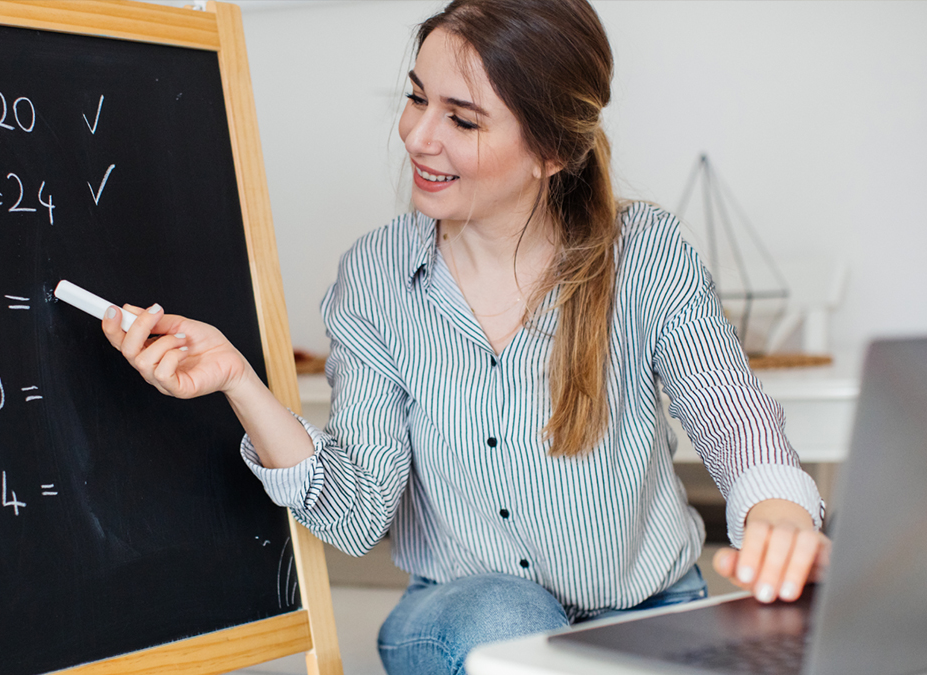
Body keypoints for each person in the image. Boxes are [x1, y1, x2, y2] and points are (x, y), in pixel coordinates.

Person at [101, 0, 830, 672]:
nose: (418, 135)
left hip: (650, 611)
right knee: (511, 617)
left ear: (552, 153)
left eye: (463, 119)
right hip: (461, 618)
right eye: (417, 97)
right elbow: (356, 516)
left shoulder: (644, 251)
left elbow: (731, 411)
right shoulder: (375, 279)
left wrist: (777, 512)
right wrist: (237, 379)